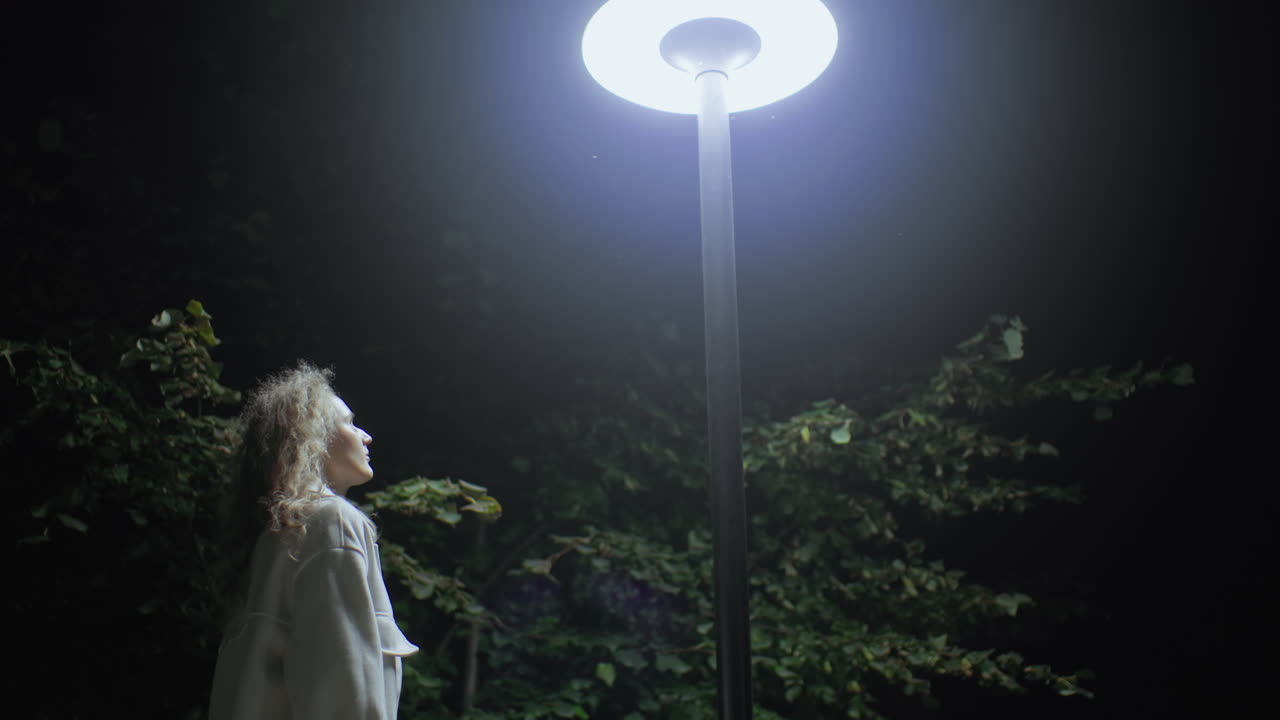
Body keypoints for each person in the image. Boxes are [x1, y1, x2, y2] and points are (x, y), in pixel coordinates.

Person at [209, 362, 418, 720]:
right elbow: (342, 687)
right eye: (349, 423)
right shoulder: (332, 522)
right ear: (311, 438)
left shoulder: (278, 535)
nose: (366, 436)